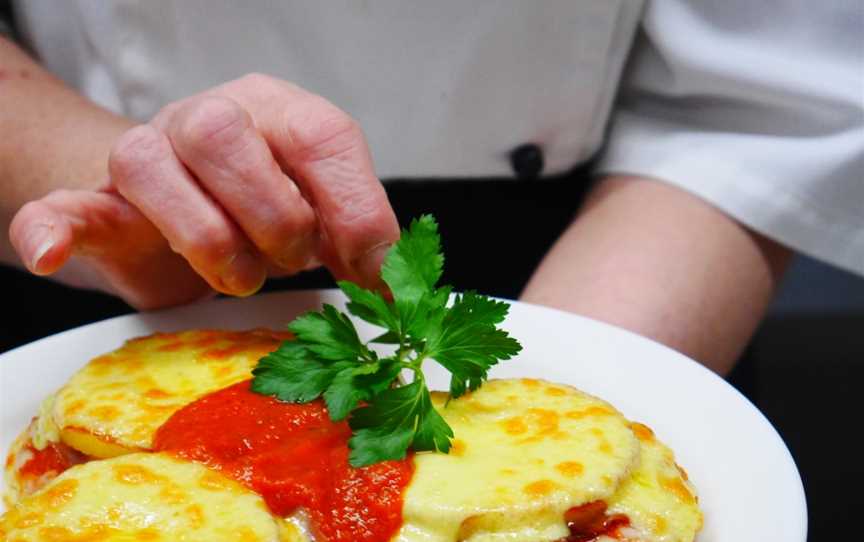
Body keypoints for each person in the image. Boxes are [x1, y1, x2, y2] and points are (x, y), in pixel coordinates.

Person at [1, 1, 861, 376]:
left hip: (625, 273)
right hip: (91, 244)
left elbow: (756, 104)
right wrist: (104, 176)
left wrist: (559, 432)